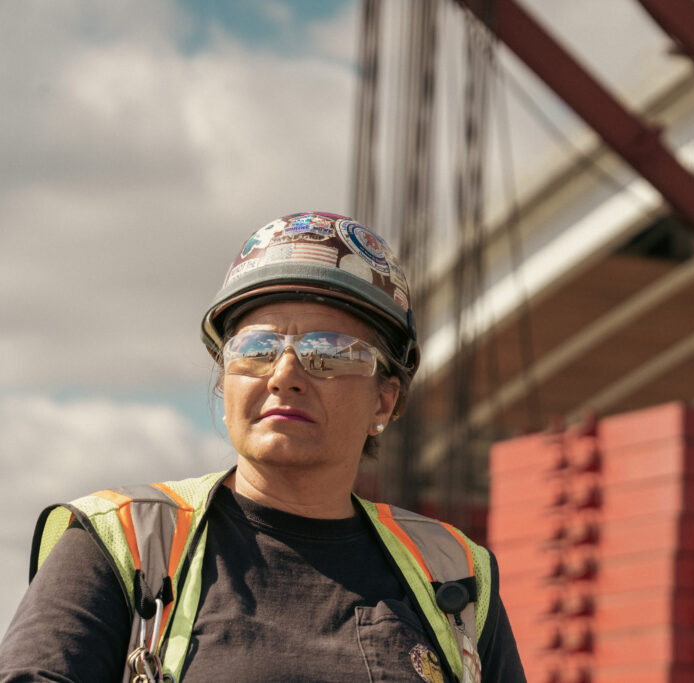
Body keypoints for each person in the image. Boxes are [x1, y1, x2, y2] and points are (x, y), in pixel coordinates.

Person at [0, 212, 526, 682]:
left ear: (384, 402)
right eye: (256, 348)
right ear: (223, 380)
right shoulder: (126, 546)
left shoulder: (453, 577)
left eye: (330, 352)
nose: (285, 374)